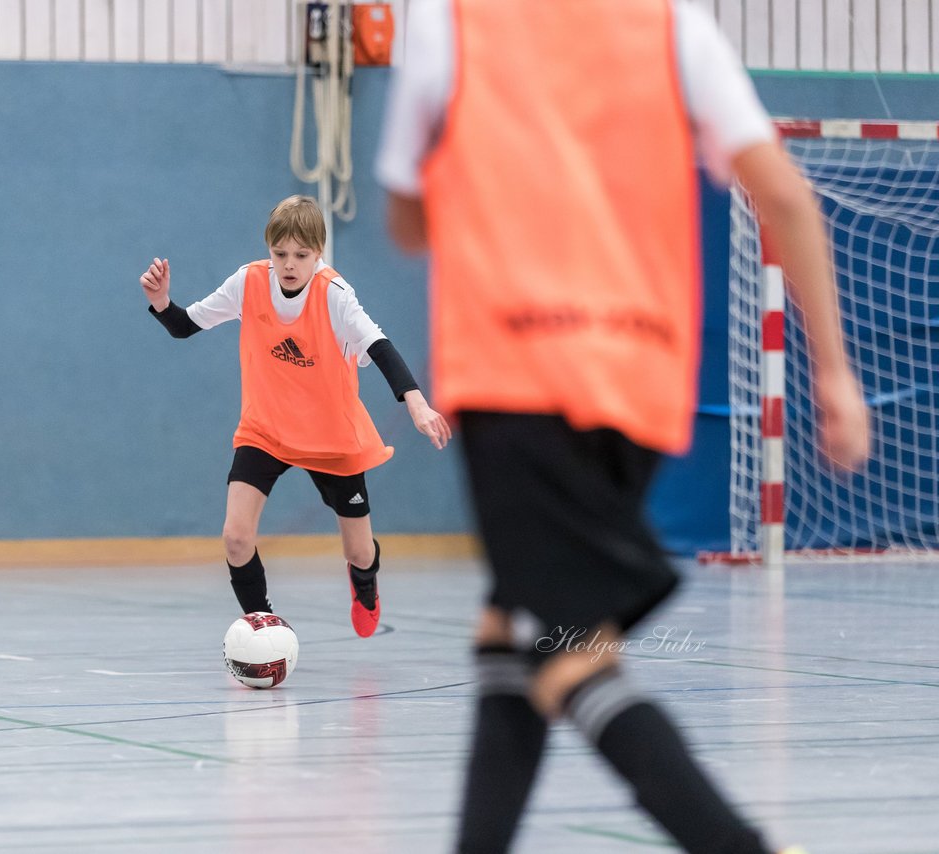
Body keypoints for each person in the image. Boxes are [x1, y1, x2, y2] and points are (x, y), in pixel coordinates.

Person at [376, 1, 870, 852]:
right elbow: (784, 193)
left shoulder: (450, 24)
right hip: (640, 387)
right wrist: (833, 370)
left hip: (518, 381)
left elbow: (406, 219)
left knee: (573, 659)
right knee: (513, 628)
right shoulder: (672, 25)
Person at [140, 195, 451, 637]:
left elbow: (379, 347)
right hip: (265, 429)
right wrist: (161, 301)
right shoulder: (248, 283)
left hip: (332, 437)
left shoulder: (335, 295)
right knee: (235, 537)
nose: (289, 264)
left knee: (359, 552)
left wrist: (416, 402)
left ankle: (364, 581)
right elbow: (184, 324)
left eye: (301, 255)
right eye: (280, 253)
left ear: (318, 253)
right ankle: (264, 626)